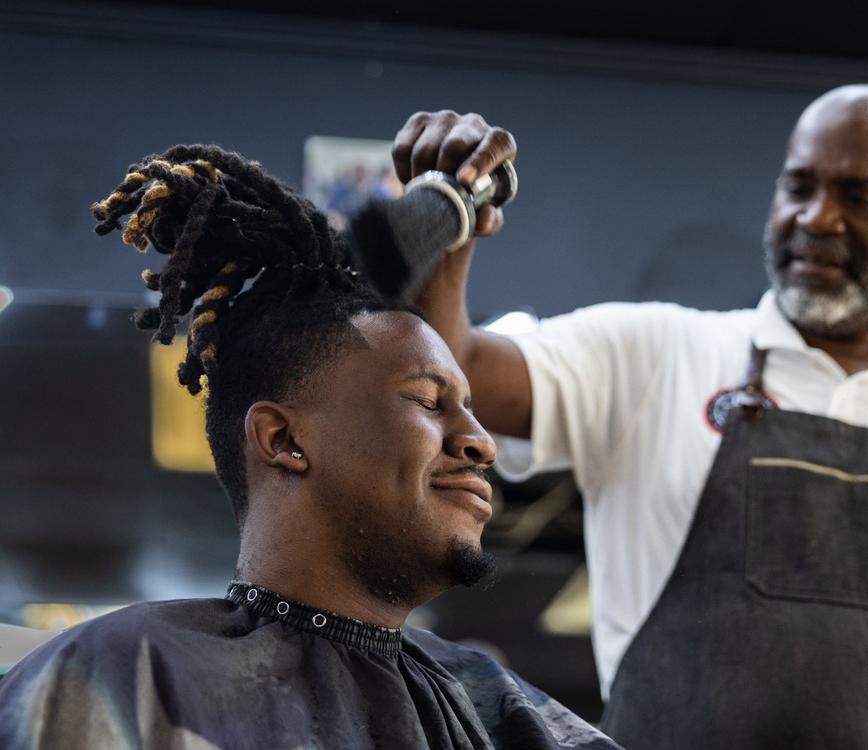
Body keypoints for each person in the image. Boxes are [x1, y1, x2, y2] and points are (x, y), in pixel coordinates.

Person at [385, 86, 868, 749]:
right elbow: (455, 371)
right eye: (799, 186)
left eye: (859, 196)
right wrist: (450, 217)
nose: (817, 217)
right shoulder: (653, 357)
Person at [0, 145, 620, 750]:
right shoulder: (121, 680)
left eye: (471, 408)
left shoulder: (508, 717)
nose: (482, 442)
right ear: (285, 439)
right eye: (429, 401)